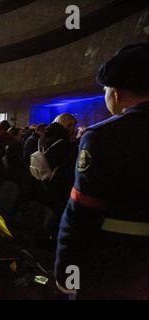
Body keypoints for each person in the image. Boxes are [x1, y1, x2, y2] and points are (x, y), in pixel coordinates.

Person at [55, 43, 149, 299]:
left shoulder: (104, 137)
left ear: (116, 93)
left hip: (117, 264)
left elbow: (83, 211)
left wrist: (66, 271)